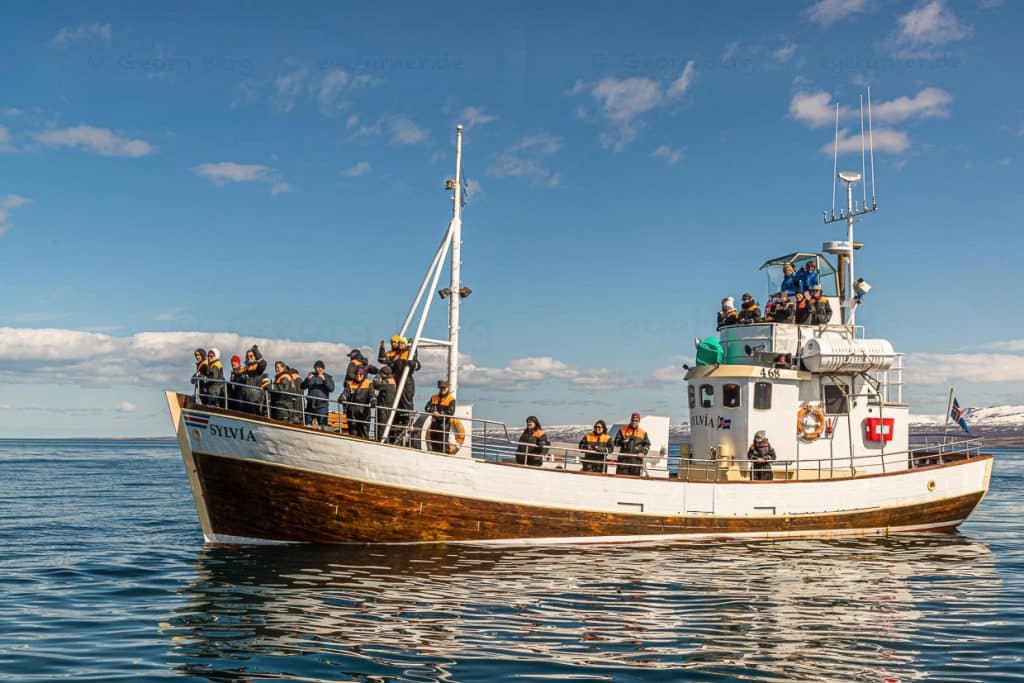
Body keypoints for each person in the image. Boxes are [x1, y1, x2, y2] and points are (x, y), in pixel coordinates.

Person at [380, 336, 420, 436]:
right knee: (396, 402)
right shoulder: (396, 355)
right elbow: (383, 360)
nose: (400, 345)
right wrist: (381, 349)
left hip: (406, 381)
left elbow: (418, 365)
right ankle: (396, 422)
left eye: (403, 343)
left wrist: (413, 364)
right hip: (397, 379)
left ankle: (407, 420)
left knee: (406, 400)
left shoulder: (409, 353)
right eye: (399, 343)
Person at [339, 365, 374, 438]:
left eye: (361, 374)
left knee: (364, 431)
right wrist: (342, 398)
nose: (359, 375)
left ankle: (364, 445)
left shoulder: (368, 383)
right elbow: (346, 393)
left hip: (364, 410)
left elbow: (372, 394)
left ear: (363, 375)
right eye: (357, 374)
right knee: (353, 431)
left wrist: (373, 400)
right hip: (352, 410)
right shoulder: (350, 383)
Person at [301, 360, 335, 428]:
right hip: (310, 405)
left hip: (322, 406)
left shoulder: (328, 377)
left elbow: (331, 389)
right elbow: (302, 387)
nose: (319, 369)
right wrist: (307, 380)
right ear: (314, 368)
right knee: (308, 426)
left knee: (323, 426)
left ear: (323, 368)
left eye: (321, 367)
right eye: (317, 367)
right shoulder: (311, 376)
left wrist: (324, 380)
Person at [424, 380, 455, 453]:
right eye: (441, 388)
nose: (442, 390)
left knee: (443, 443)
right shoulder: (433, 397)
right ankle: (435, 456)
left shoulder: (451, 399)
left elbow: (450, 412)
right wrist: (433, 411)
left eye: (444, 388)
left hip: (444, 425)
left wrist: (440, 415)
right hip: (434, 424)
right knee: (433, 441)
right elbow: (427, 408)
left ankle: (446, 457)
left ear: (448, 388)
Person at [239, 345, 268, 414]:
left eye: (251, 356)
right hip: (244, 402)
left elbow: (263, 363)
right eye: (248, 356)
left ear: (255, 357)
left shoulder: (259, 369)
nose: (249, 358)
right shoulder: (244, 370)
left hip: (255, 402)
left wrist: (255, 351)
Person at [373, 365, 399, 442]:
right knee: (383, 427)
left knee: (381, 427)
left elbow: (376, 385)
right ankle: (383, 440)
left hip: (384, 408)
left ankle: (382, 442)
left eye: (381, 373)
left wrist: (377, 377)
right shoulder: (392, 381)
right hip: (387, 407)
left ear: (384, 374)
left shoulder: (388, 382)